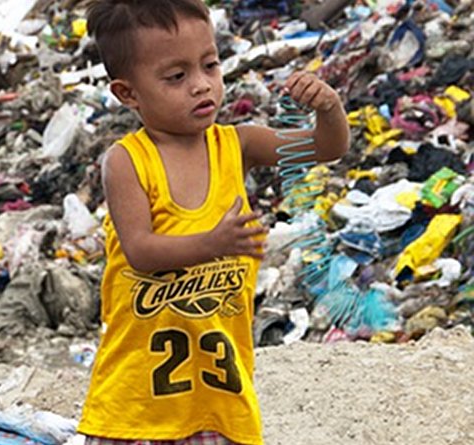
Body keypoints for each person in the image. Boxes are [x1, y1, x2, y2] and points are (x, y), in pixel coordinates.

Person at [78, 1, 350, 444]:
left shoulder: (236, 146)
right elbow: (141, 252)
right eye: (177, 76)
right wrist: (215, 242)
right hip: (135, 405)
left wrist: (329, 107)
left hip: (219, 399)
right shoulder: (127, 162)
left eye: (210, 65)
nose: (202, 86)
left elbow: (325, 147)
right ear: (128, 94)